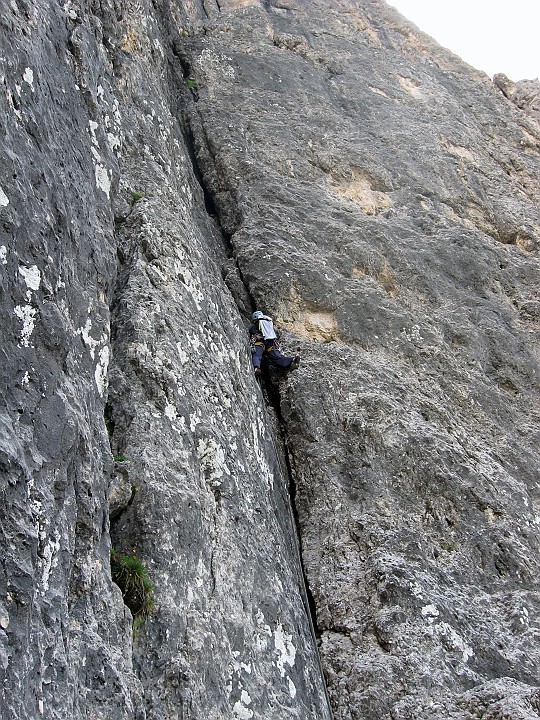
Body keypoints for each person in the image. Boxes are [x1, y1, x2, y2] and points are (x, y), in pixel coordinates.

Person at [249, 310, 300, 378]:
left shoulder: (255, 325)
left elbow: (252, 331)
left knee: (257, 355)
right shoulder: (269, 322)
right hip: (271, 343)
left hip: (260, 343)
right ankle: (292, 359)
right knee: (278, 358)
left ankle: (256, 369)